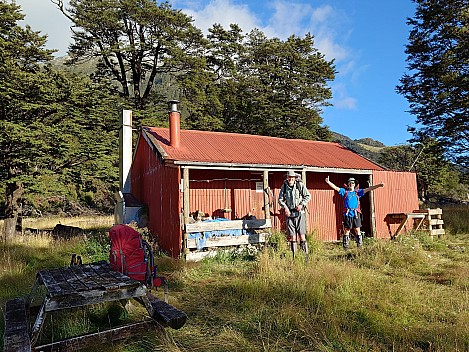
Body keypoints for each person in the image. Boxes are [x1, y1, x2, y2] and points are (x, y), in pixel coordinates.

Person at [325, 176, 384, 249]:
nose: (351, 184)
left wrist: (379, 185)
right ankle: (345, 247)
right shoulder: (344, 192)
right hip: (347, 213)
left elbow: (368, 189)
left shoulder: (358, 192)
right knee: (347, 230)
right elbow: (336, 188)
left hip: (356, 213)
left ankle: (359, 246)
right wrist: (328, 182)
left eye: (353, 183)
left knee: (357, 229)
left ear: (354, 184)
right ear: (347, 184)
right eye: (350, 182)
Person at [278, 170, 311, 259]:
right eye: (289, 177)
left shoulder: (300, 185)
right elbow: (280, 199)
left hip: (300, 213)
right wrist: (285, 208)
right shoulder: (284, 186)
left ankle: (305, 257)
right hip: (290, 214)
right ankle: (295, 257)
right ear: (287, 178)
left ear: (295, 178)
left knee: (302, 235)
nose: (291, 179)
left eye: (292, 177)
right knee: (292, 236)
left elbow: (308, 196)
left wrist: (302, 204)